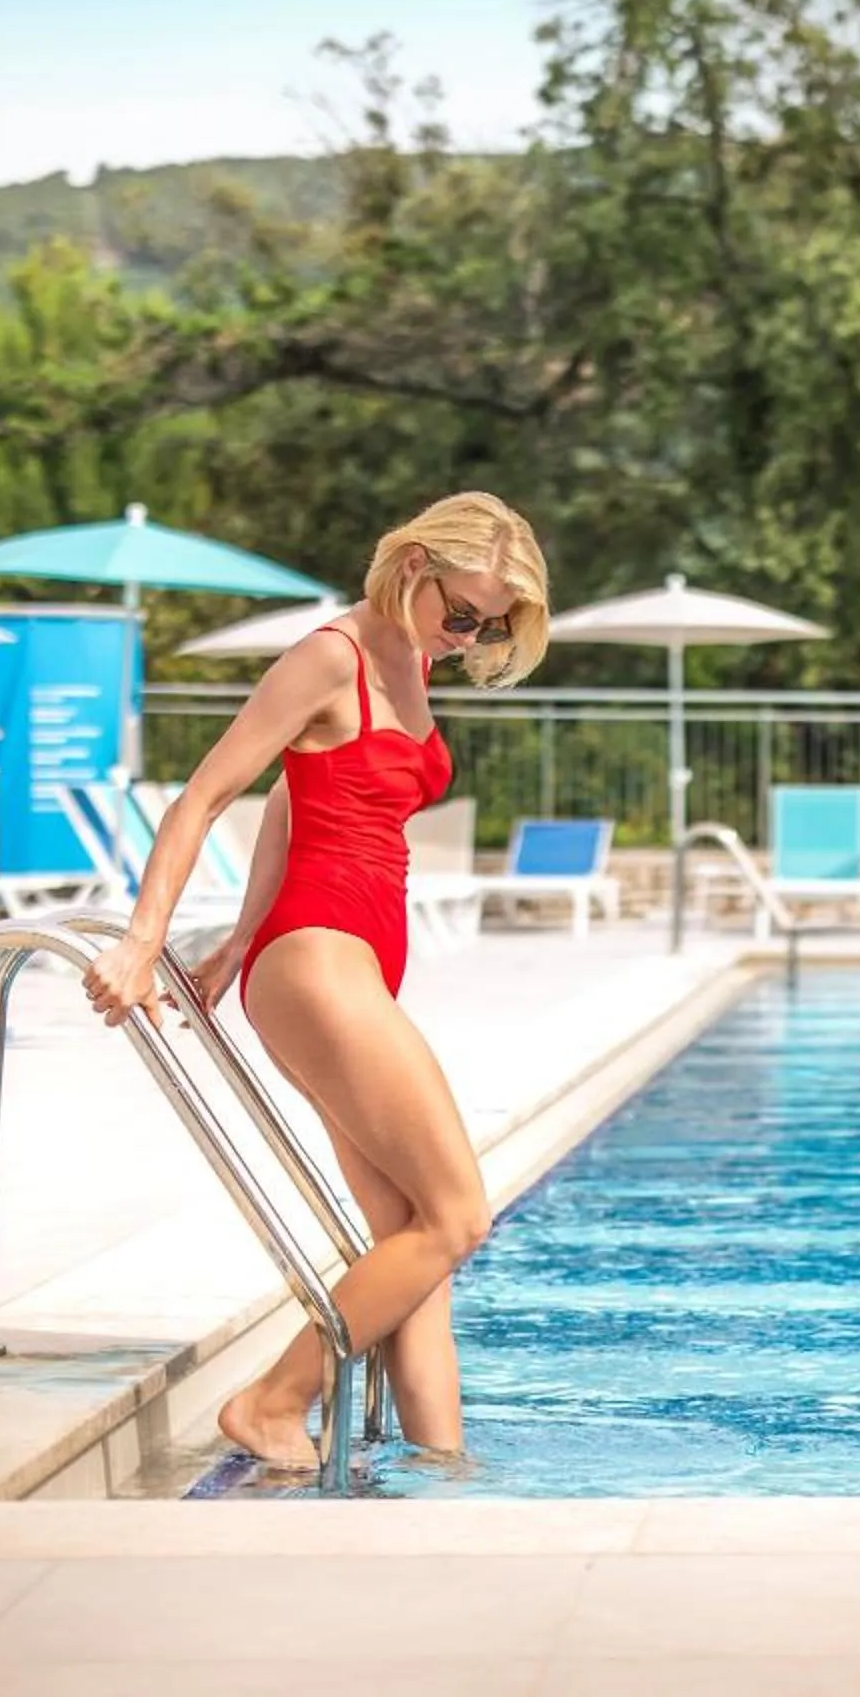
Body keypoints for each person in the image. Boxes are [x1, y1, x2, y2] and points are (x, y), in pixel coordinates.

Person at [79, 492, 551, 1470]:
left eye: (488, 625)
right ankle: (272, 1398)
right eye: (462, 612)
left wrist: (231, 945)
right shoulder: (330, 655)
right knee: (461, 1214)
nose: (468, 637)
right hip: (322, 958)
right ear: (415, 563)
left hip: (341, 956)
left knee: (416, 1237)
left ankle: (443, 1471)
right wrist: (142, 942)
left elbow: (295, 806)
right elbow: (208, 794)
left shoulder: (411, 661)